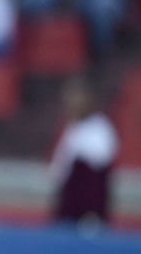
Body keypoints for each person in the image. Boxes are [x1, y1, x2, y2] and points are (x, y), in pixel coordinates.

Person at [49, 77, 118, 225]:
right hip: (67, 210)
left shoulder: (100, 130)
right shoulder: (72, 129)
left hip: (86, 215)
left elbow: (95, 176)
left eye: (76, 98)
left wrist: (91, 214)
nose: (71, 104)